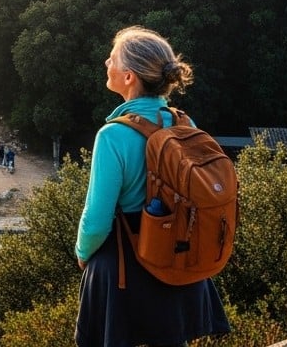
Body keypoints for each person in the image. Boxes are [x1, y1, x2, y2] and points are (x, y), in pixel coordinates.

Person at [75, 26, 230, 347]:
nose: (106, 62)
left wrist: (83, 253)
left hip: (123, 269)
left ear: (129, 76)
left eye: (113, 59)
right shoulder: (186, 125)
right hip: (180, 261)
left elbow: (96, 220)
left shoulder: (112, 136)